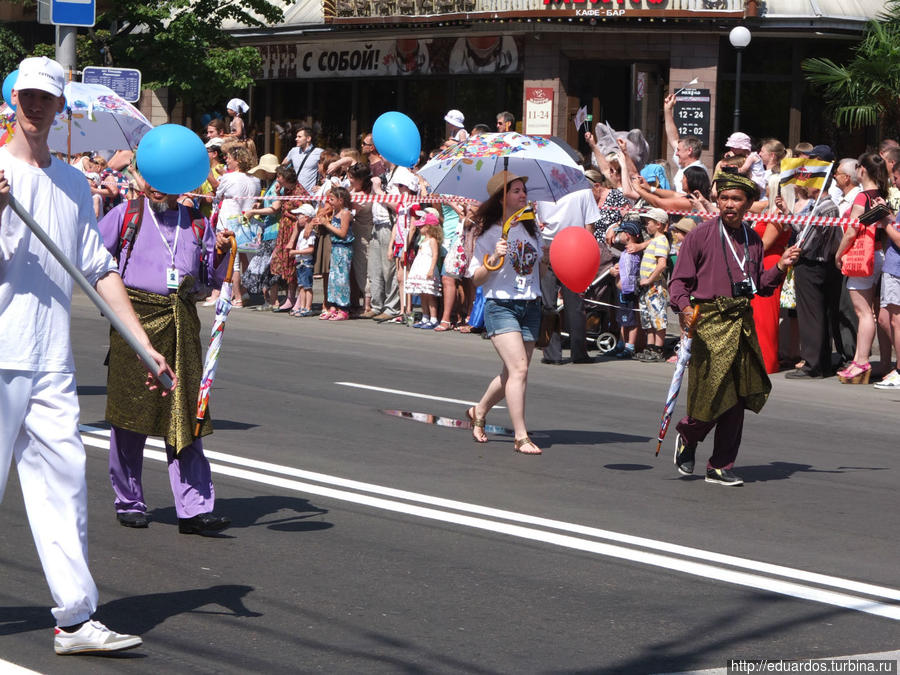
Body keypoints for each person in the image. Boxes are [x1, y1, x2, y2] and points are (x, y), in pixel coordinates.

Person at [0, 55, 175, 654]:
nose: (34, 107)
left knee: (66, 485)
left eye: (45, 98)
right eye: (26, 96)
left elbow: (97, 269)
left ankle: (74, 619)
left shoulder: (74, 184)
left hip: (50, 359)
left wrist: (144, 345)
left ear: (59, 107)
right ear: (12, 100)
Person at [97, 170, 233, 536]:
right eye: (152, 176)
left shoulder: (197, 221)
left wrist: (220, 251)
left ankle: (194, 508)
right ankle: (129, 500)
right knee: (130, 415)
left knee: (187, 415)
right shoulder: (126, 214)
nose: (158, 186)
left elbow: (211, 276)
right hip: (133, 319)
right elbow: (92, 260)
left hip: (182, 321)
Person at [670, 169, 800, 486]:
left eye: (736, 199)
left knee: (738, 395)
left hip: (742, 321)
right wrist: (684, 308)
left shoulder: (752, 240)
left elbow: (760, 287)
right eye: (724, 197)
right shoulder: (699, 236)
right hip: (709, 321)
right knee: (711, 393)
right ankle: (688, 434)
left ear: (748, 204)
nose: (729, 204)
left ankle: (720, 465)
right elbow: (678, 283)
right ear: (718, 200)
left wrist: (781, 265)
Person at [466, 172, 543, 455]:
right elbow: (476, 278)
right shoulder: (487, 234)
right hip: (501, 305)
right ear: (502, 198)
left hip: (531, 305)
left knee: (512, 373)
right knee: (519, 370)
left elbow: (540, 267)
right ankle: (521, 436)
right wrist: (493, 261)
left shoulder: (532, 229)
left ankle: (479, 411)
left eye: (524, 190)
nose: (523, 195)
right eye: (516, 191)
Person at [834, 152, 892, 384]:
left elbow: (852, 231)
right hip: (878, 253)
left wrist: (839, 254)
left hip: (862, 255)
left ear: (862, 171)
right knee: (872, 310)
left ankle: (861, 361)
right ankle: (867, 360)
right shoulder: (881, 195)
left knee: (864, 311)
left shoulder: (861, 197)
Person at [536, 185, 601, 365]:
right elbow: (590, 225)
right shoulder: (583, 189)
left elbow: (541, 221)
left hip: (549, 243)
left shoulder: (545, 187)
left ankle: (551, 354)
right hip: (575, 243)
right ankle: (578, 352)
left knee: (548, 303)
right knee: (575, 304)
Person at [875, 159, 900, 389]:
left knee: (896, 321)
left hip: (897, 270)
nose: (895, 182)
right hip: (893, 268)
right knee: (887, 319)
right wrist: (890, 216)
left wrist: (885, 223)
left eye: (897, 177)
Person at [635, 208, 671, 363]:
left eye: (648, 222)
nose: (646, 225)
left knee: (658, 318)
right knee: (648, 318)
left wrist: (649, 279)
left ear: (658, 224)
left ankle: (658, 349)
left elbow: (661, 265)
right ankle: (650, 347)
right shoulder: (655, 240)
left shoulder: (661, 241)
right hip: (647, 288)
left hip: (655, 287)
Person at [610, 220, 643, 359]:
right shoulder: (625, 252)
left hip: (628, 292)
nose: (618, 236)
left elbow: (631, 272)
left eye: (621, 233)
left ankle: (630, 346)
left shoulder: (633, 253)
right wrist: (615, 269)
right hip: (622, 292)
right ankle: (621, 343)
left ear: (628, 235)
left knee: (632, 320)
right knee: (623, 319)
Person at [320, 186, 355, 321]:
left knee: (342, 279)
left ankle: (344, 307)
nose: (330, 202)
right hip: (335, 247)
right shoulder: (335, 212)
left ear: (341, 200)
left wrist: (327, 225)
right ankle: (333, 306)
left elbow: (342, 233)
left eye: (332, 199)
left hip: (344, 249)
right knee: (333, 279)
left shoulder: (345, 213)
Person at [662, 93, 708, 194]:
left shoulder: (697, 171)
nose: (676, 153)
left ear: (689, 151)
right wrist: (668, 110)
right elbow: (673, 138)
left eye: (678, 150)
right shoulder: (685, 166)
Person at [406, 210, 443, 329]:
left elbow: (435, 255)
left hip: (428, 268)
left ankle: (433, 318)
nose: (419, 228)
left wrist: (431, 269)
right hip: (420, 269)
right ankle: (425, 317)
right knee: (422, 294)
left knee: (429, 295)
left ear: (428, 227)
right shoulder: (423, 240)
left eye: (421, 226)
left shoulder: (432, 240)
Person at [288, 204, 317, 316]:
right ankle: (302, 306)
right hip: (300, 262)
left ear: (307, 217)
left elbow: (310, 249)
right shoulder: (302, 231)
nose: (297, 218)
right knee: (301, 286)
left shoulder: (310, 233)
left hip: (306, 262)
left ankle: (307, 307)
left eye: (299, 215)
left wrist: (296, 252)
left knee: (307, 286)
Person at [283, 126, 322, 194]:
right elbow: (282, 167)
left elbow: (330, 169)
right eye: (296, 136)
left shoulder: (319, 152)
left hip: (310, 195)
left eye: (299, 137)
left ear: (308, 138)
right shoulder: (293, 151)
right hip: (295, 194)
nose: (296, 139)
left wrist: (322, 187)